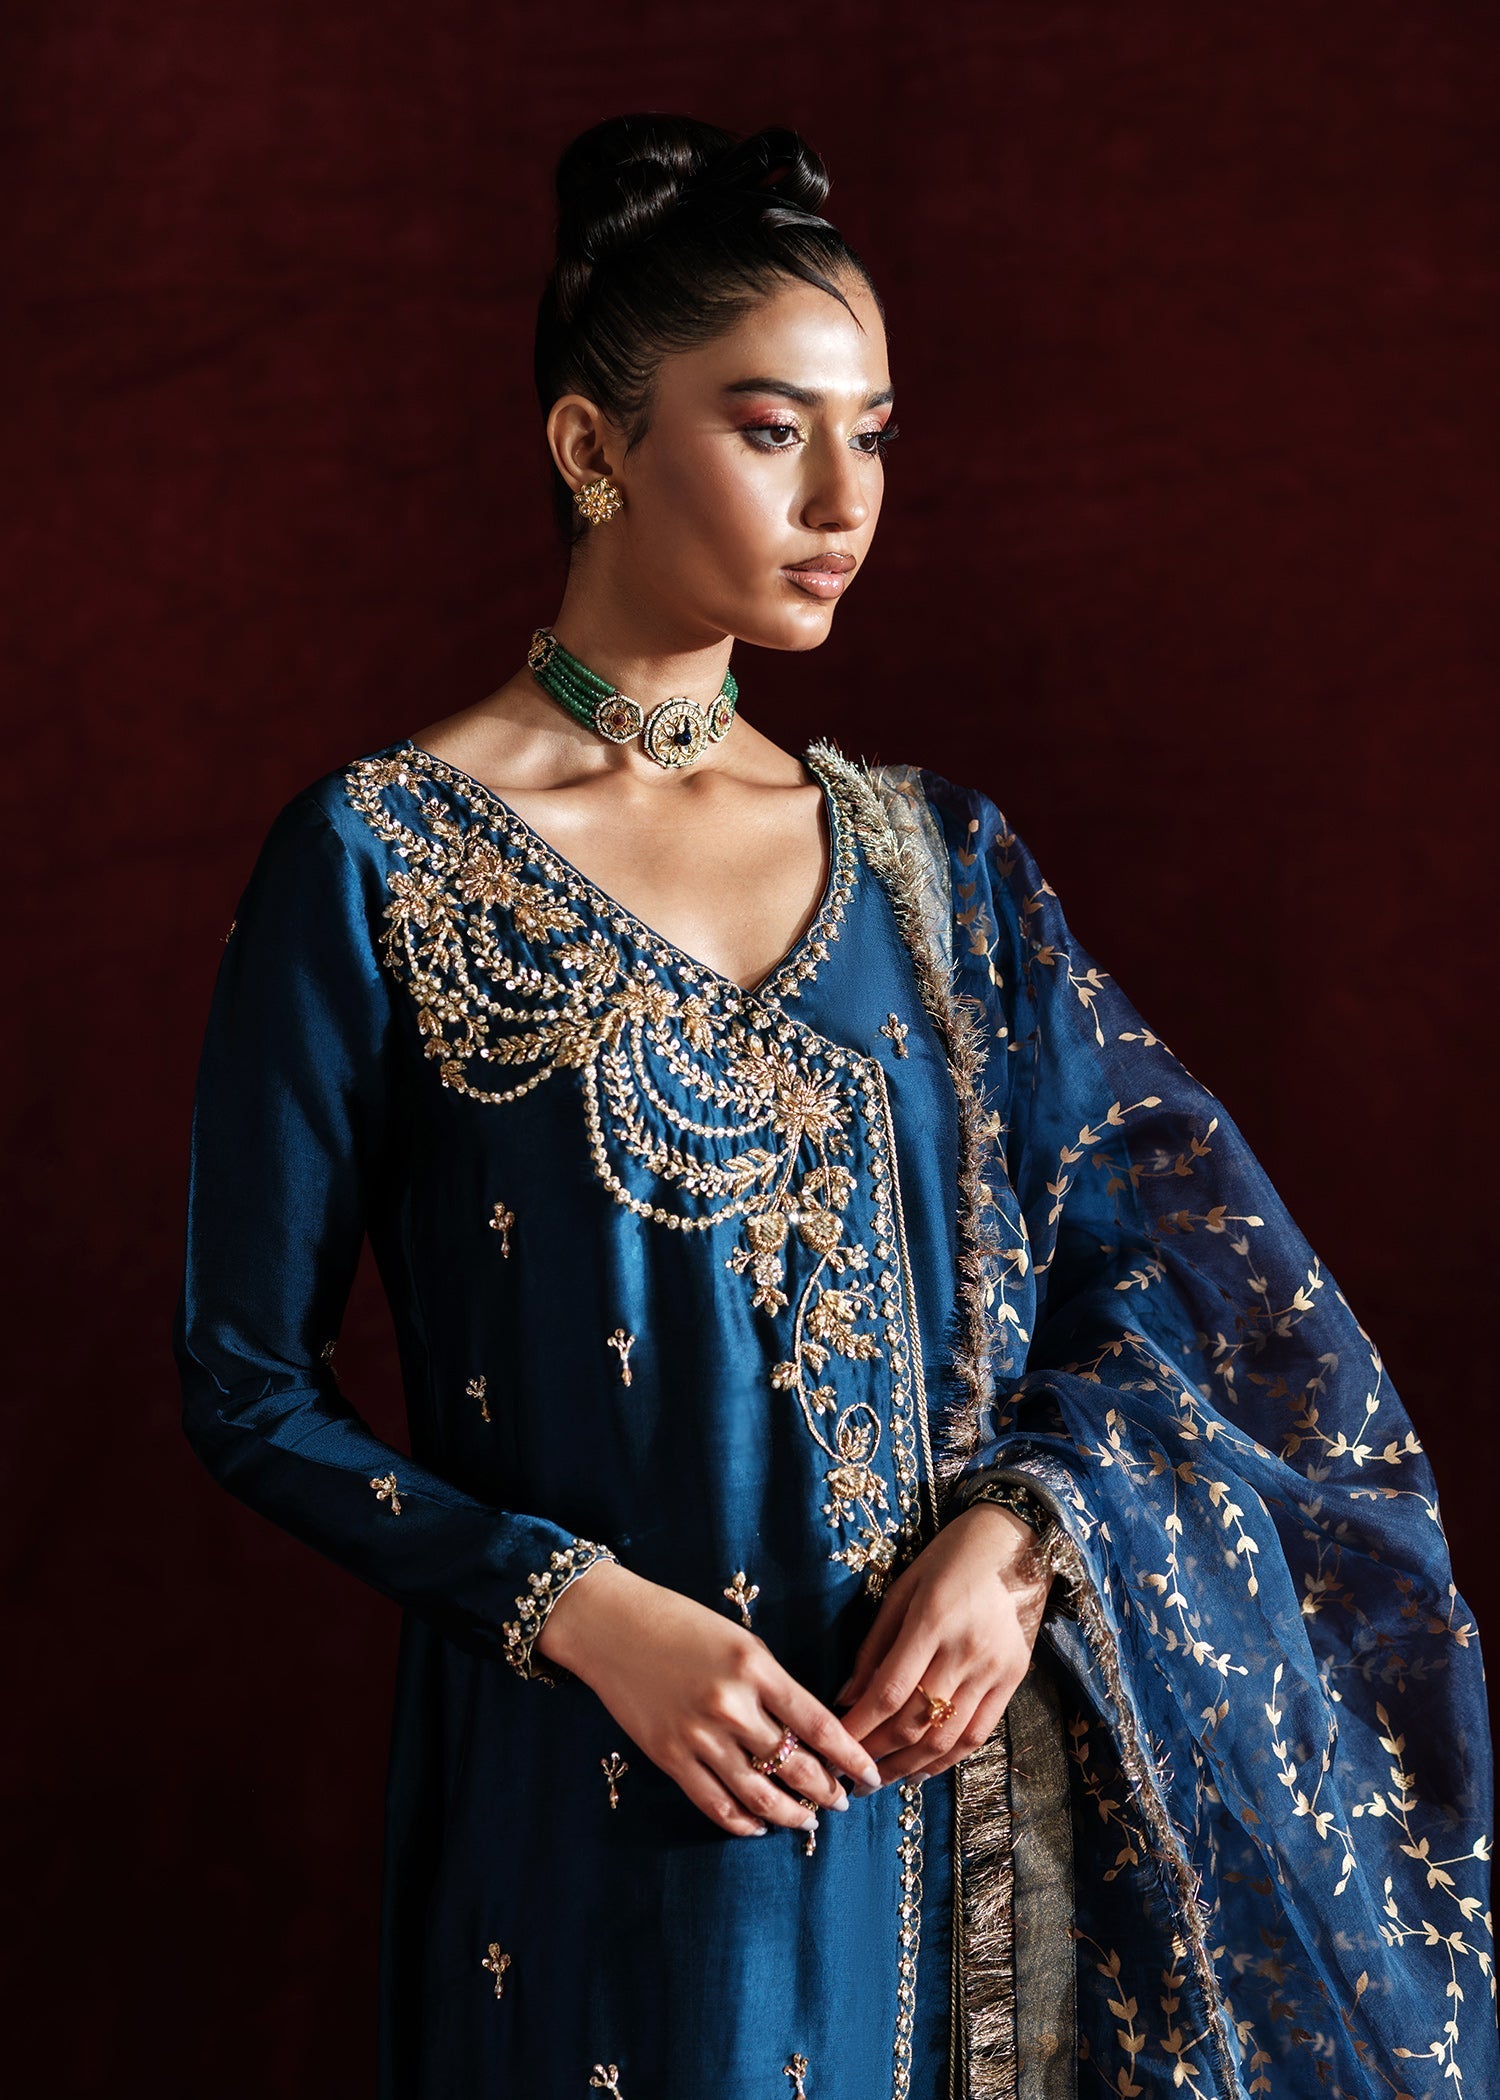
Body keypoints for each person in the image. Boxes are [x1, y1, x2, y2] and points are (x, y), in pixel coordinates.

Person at [172, 113, 1497, 2099]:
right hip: (598, 1820)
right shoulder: (377, 860)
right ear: (592, 445)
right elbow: (243, 1385)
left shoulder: (941, 870)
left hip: (945, 1815)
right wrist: (576, 1610)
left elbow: (1179, 1284)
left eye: (873, 435)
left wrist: (1025, 1539)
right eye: (773, 428)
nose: (843, 498)